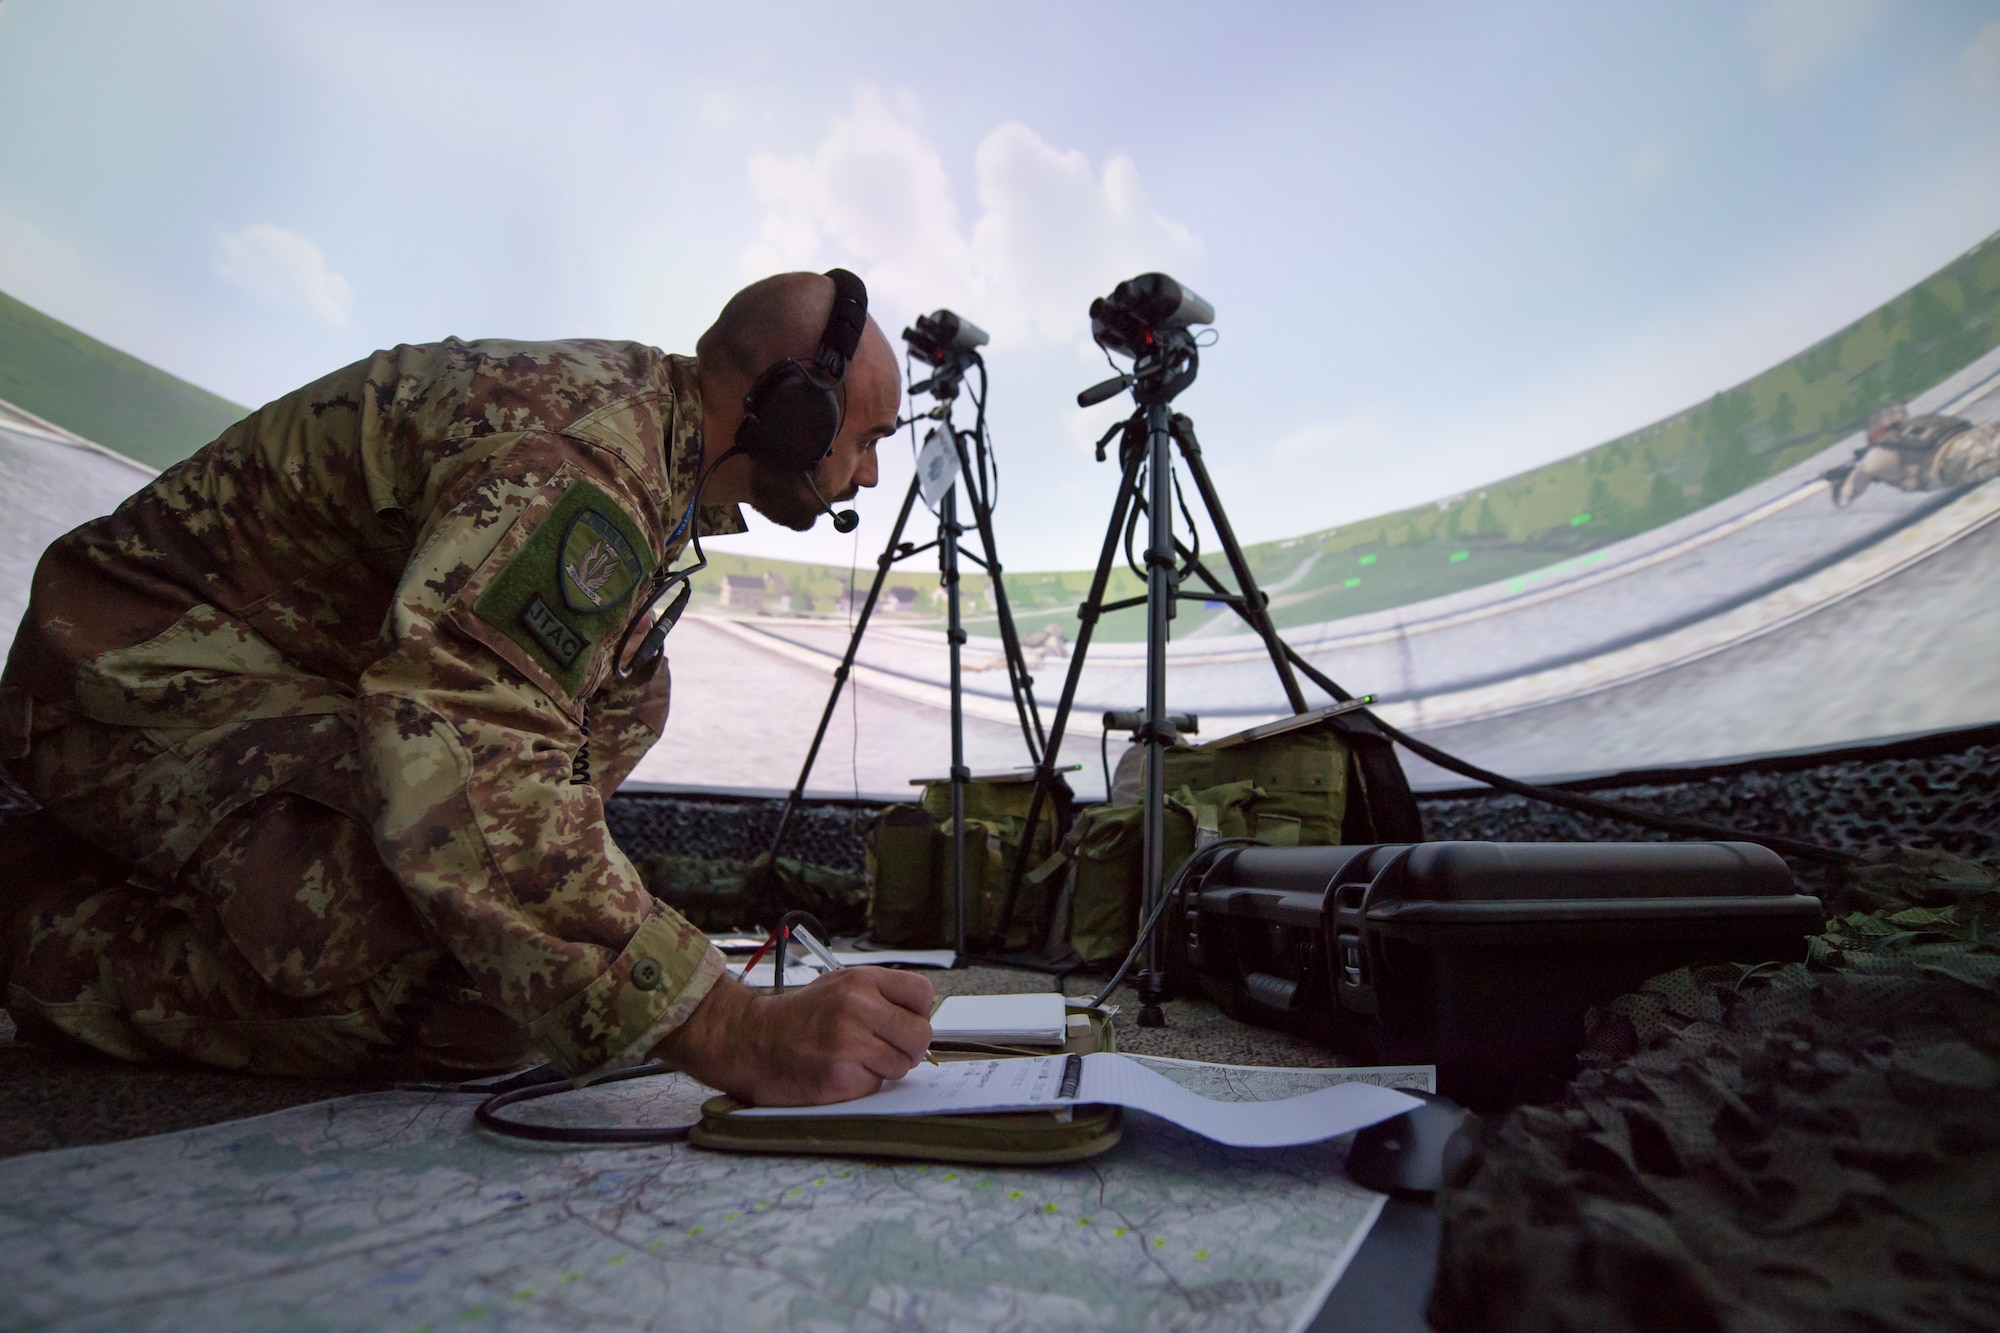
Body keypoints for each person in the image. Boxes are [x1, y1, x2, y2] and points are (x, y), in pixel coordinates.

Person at [0, 270, 935, 1107]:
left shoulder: (660, 461)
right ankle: (37, 928)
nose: (872, 472)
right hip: (130, 673)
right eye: (866, 438)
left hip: (274, 679)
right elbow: (475, 740)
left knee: (623, 711)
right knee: (466, 1012)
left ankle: (136, 876)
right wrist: (727, 1023)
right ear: (794, 413)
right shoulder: (591, 464)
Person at [1827, 402, 2000, 505]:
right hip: (1978, 435)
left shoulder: (1880, 453)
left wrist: (1837, 483)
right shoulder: (1921, 421)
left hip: (1959, 458)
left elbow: (1845, 498)